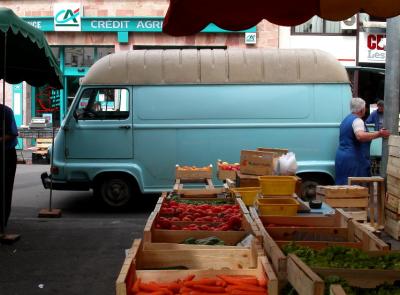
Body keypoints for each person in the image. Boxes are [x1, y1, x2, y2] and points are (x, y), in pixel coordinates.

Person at [335, 97, 390, 185]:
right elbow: (360, 136)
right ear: (361, 110)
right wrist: (379, 134)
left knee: (343, 189)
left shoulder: (345, 120)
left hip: (342, 159)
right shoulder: (357, 120)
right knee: (356, 191)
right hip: (354, 161)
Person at [0, 103, 18, 227]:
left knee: (5, 189)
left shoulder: (6, 111)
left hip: (6, 154)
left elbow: (12, 133)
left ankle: (2, 223)